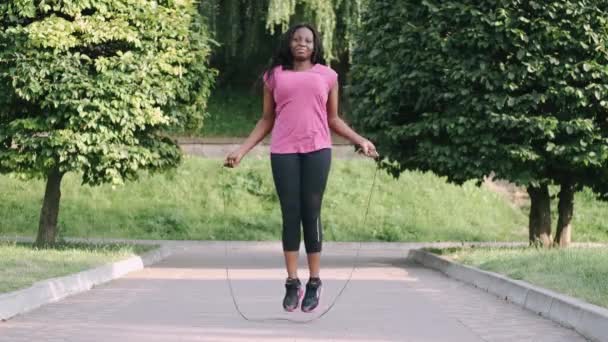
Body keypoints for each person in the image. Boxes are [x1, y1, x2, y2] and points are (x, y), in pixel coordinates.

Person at [224, 23, 378, 313]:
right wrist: (241, 151)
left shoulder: (328, 76)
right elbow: (266, 120)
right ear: (289, 43)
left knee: (312, 212)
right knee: (290, 214)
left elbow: (333, 119)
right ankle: (292, 282)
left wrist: (360, 140)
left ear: (315, 45)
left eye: (308, 40)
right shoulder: (274, 77)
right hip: (283, 151)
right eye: (297, 39)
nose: (302, 43)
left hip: (318, 150)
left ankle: (315, 282)